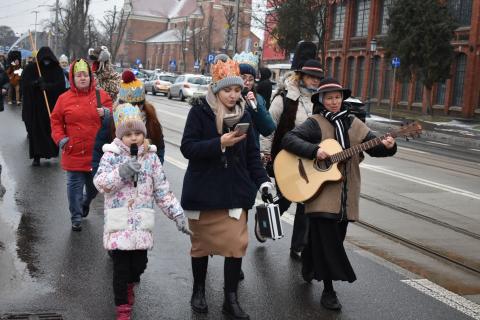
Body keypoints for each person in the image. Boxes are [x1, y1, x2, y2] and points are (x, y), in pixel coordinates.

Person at [282, 78, 397, 310]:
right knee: (330, 243)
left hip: (347, 195)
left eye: (337, 97)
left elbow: (373, 148)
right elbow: (289, 139)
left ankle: (309, 260)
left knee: (333, 240)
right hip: (321, 193)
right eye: (329, 98)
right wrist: (316, 151)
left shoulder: (354, 123)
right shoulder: (315, 123)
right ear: (322, 101)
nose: (334, 102)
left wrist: (388, 146)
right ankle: (329, 290)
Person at [181, 56, 273, 319]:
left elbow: (253, 156)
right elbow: (188, 148)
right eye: (228, 90)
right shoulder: (199, 111)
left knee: (237, 244)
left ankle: (230, 299)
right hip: (204, 191)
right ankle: (199, 289)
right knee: (200, 246)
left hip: (234, 191)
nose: (233, 95)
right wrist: (219, 142)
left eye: (236, 90)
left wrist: (264, 183)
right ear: (216, 89)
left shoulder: (245, 114)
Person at [93, 103, 191, 320]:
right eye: (128, 134)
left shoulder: (151, 158)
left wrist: (177, 215)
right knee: (120, 269)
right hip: (119, 225)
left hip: (141, 226)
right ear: (120, 135)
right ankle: (123, 309)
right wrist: (122, 172)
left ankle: (130, 286)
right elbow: (100, 184)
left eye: (138, 133)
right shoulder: (111, 156)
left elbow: (163, 191)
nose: (134, 138)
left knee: (138, 266)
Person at [266, 41, 323, 261]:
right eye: (311, 77)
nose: (315, 82)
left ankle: (298, 246)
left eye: (318, 78)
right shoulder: (284, 98)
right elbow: (269, 128)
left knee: (306, 201)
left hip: (309, 159)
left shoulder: (320, 102)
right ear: (301, 76)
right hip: (284, 157)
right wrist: (265, 154)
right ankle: (266, 221)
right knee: (287, 198)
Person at [50, 59, 113, 231]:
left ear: (91, 77)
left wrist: (107, 114)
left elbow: (115, 119)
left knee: (94, 187)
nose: (83, 78)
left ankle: (86, 202)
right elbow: (55, 121)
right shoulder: (64, 99)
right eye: (79, 75)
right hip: (73, 150)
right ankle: (76, 216)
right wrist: (61, 139)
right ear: (73, 77)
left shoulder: (102, 96)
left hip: (96, 153)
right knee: (74, 186)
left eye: (85, 74)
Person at [21, 47, 67, 166]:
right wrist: (36, 83)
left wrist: (47, 86)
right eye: (44, 59)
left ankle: (50, 152)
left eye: (48, 59)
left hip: (51, 108)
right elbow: (24, 85)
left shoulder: (56, 69)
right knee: (35, 133)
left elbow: (61, 86)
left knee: (50, 131)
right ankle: (36, 157)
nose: (46, 62)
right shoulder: (32, 68)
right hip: (35, 108)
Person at [117, 70, 166, 163]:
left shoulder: (152, 121)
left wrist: (155, 167)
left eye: (138, 104)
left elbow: (159, 148)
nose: (135, 108)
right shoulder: (112, 120)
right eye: (130, 105)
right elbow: (99, 151)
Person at [233, 52, 276, 150]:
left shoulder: (258, 99)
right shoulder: (228, 97)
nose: (247, 82)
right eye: (243, 77)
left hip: (250, 150)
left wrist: (256, 106)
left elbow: (268, 129)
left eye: (251, 79)